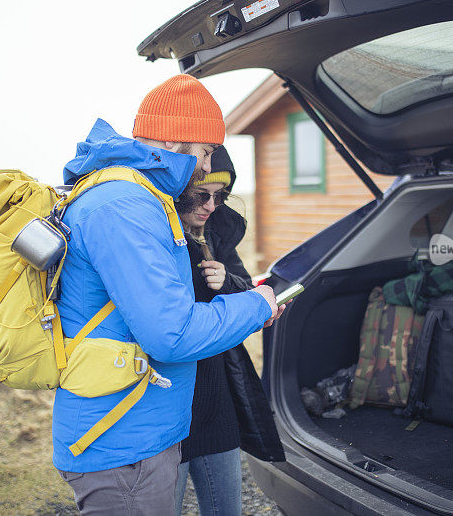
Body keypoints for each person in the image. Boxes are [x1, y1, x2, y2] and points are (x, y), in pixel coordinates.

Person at [52, 74, 284, 515]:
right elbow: (171, 335)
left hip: (137, 427)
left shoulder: (138, 199)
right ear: (180, 141)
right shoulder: (124, 206)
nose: (207, 162)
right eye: (207, 151)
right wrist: (257, 304)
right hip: (122, 439)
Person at [173, 146, 285, 515]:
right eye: (201, 194)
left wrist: (230, 284)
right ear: (179, 189)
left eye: (220, 196)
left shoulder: (218, 233)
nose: (210, 205)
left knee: (227, 508)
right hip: (169, 400)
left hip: (217, 395)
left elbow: (245, 290)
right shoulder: (157, 237)